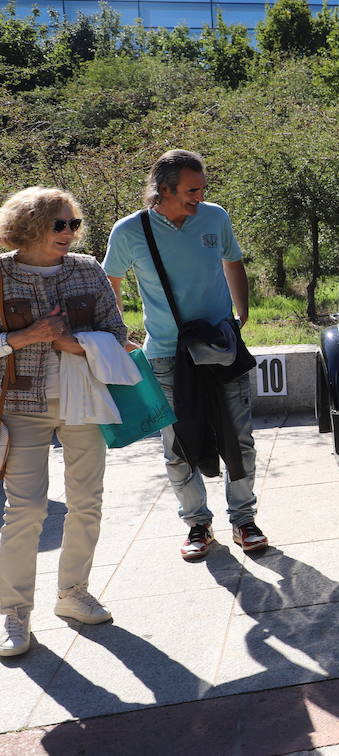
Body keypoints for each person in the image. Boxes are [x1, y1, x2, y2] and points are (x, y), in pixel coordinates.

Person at [103, 150, 268, 562]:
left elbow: (234, 261)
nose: (200, 196)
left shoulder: (215, 216)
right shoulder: (129, 230)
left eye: (202, 188)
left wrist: (241, 312)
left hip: (221, 347)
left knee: (239, 436)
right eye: (192, 190)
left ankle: (243, 519)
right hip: (164, 353)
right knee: (178, 446)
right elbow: (111, 282)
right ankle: (197, 523)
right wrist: (117, 333)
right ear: (164, 189)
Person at [0, 188, 125, 656]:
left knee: (86, 502)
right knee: (26, 511)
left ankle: (73, 594)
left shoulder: (87, 270)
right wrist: (28, 336)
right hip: (20, 407)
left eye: (74, 223)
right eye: (60, 224)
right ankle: (14, 614)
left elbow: (117, 333)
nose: (70, 232)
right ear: (29, 227)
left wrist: (72, 343)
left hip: (82, 403)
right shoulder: (1, 273)